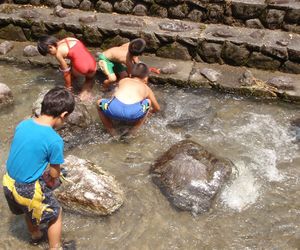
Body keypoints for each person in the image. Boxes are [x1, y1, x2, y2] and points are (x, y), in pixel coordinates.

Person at [2, 87, 75, 250]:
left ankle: (35, 235)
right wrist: (52, 176)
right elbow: (55, 172)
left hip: (8, 183)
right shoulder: (54, 140)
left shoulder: (23, 124)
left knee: (28, 210)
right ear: (63, 115)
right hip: (28, 190)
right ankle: (55, 247)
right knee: (55, 213)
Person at [96, 63, 160, 136]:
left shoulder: (123, 80)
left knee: (99, 103)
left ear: (130, 75)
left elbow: (114, 94)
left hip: (114, 110)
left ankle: (112, 131)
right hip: (133, 113)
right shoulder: (147, 88)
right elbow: (157, 108)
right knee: (148, 102)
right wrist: (150, 112)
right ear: (146, 78)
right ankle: (133, 131)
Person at [37, 36, 97, 101]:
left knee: (71, 76)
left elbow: (66, 72)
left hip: (81, 68)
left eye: (49, 52)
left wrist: (68, 88)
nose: (51, 55)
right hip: (93, 64)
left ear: (50, 47)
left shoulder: (58, 54)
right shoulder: (69, 39)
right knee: (89, 79)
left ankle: (81, 96)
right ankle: (86, 90)